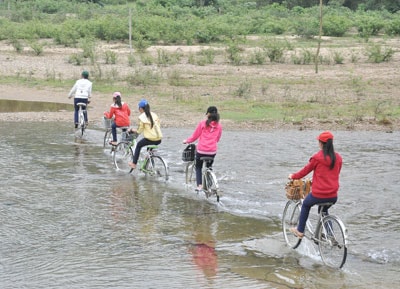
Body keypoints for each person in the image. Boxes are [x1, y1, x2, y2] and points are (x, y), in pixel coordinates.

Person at [288, 131, 343, 238]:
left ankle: (300, 231)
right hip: (333, 196)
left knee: (306, 205)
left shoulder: (317, 158)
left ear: (321, 143)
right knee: (324, 210)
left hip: (319, 194)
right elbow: (334, 174)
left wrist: (293, 176)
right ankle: (330, 234)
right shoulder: (338, 158)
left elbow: (304, 171)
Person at [183, 106, 222, 191]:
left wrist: (186, 141)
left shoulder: (202, 123)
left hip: (201, 150)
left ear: (208, 114)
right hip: (212, 151)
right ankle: (210, 182)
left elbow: (195, 136)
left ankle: (199, 185)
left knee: (198, 167)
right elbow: (218, 139)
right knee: (209, 166)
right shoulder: (219, 126)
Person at [128, 99, 163, 170]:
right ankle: (150, 164)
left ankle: (134, 163)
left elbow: (139, 131)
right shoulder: (154, 114)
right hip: (159, 139)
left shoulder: (142, 117)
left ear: (141, 109)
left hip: (150, 139)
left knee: (138, 145)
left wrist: (132, 130)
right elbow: (158, 125)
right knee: (149, 151)